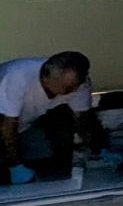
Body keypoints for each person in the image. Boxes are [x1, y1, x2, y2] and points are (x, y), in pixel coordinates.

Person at [0, 52, 103, 186]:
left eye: (76, 85)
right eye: (67, 88)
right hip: (4, 120)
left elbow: (83, 119)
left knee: (41, 158)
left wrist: (96, 148)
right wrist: (15, 165)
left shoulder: (78, 84)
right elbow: (6, 125)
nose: (74, 90)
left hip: (25, 124)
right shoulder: (17, 77)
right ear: (45, 79)